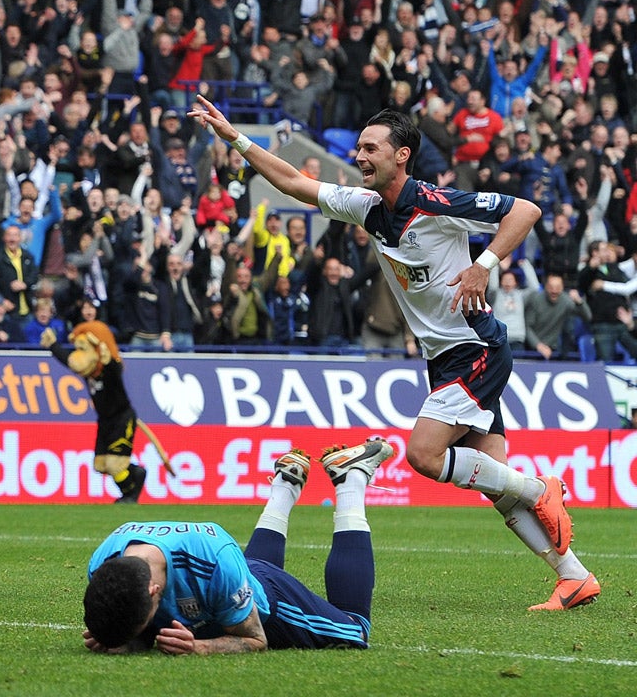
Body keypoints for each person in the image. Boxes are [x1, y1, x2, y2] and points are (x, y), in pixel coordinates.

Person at [188, 96, 599, 611]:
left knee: (424, 454)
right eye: (358, 147)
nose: (359, 155)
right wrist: (236, 138)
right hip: (442, 356)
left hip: (474, 347)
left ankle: (541, 487)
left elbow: (526, 209)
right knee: (495, 483)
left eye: (370, 148)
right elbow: (293, 182)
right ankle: (573, 575)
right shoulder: (367, 208)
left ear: (401, 155)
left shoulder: (437, 203)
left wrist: (484, 264)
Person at [83, 439, 392, 653]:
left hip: (269, 600)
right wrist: (117, 635)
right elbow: (131, 622)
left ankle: (350, 479)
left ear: (154, 592)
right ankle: (285, 483)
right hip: (228, 583)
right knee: (232, 581)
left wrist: (200, 647)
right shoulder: (102, 563)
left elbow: (256, 639)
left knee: (356, 632)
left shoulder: (211, 560)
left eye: (145, 620)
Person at [42, 320, 147, 504]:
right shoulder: (90, 373)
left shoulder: (109, 370)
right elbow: (68, 360)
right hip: (105, 420)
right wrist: (53, 346)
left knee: (115, 463)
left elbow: (115, 369)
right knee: (101, 464)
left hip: (121, 418)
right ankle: (134, 475)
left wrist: (109, 360)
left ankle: (130, 493)